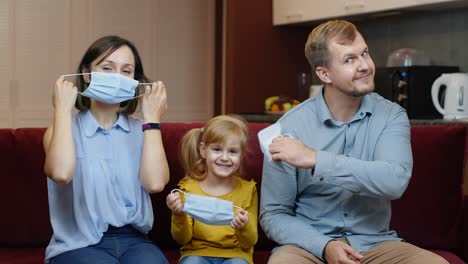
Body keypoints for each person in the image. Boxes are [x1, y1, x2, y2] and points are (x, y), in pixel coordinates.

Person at [259, 20, 448, 264]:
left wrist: (316, 160)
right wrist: (324, 246)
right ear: (324, 73)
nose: (365, 66)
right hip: (308, 246)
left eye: (364, 54)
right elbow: (274, 214)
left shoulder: (391, 116)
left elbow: (394, 181)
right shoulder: (288, 127)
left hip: (375, 244)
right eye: (349, 59)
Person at [43, 35, 170, 264]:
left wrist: (152, 119)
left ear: (135, 80)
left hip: (135, 240)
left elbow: (155, 184)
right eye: (107, 68)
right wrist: (61, 110)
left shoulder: (143, 130)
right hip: (79, 243)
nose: (116, 77)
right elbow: (61, 174)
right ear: (87, 73)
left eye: (126, 71)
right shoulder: (61, 129)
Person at [166, 115, 258, 264]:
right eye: (217, 149)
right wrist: (178, 214)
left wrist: (243, 226)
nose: (224, 157)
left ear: (241, 155)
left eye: (233, 151)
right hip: (197, 253)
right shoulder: (188, 188)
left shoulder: (248, 190)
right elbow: (182, 238)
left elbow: (250, 241)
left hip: (236, 255)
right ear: (203, 150)